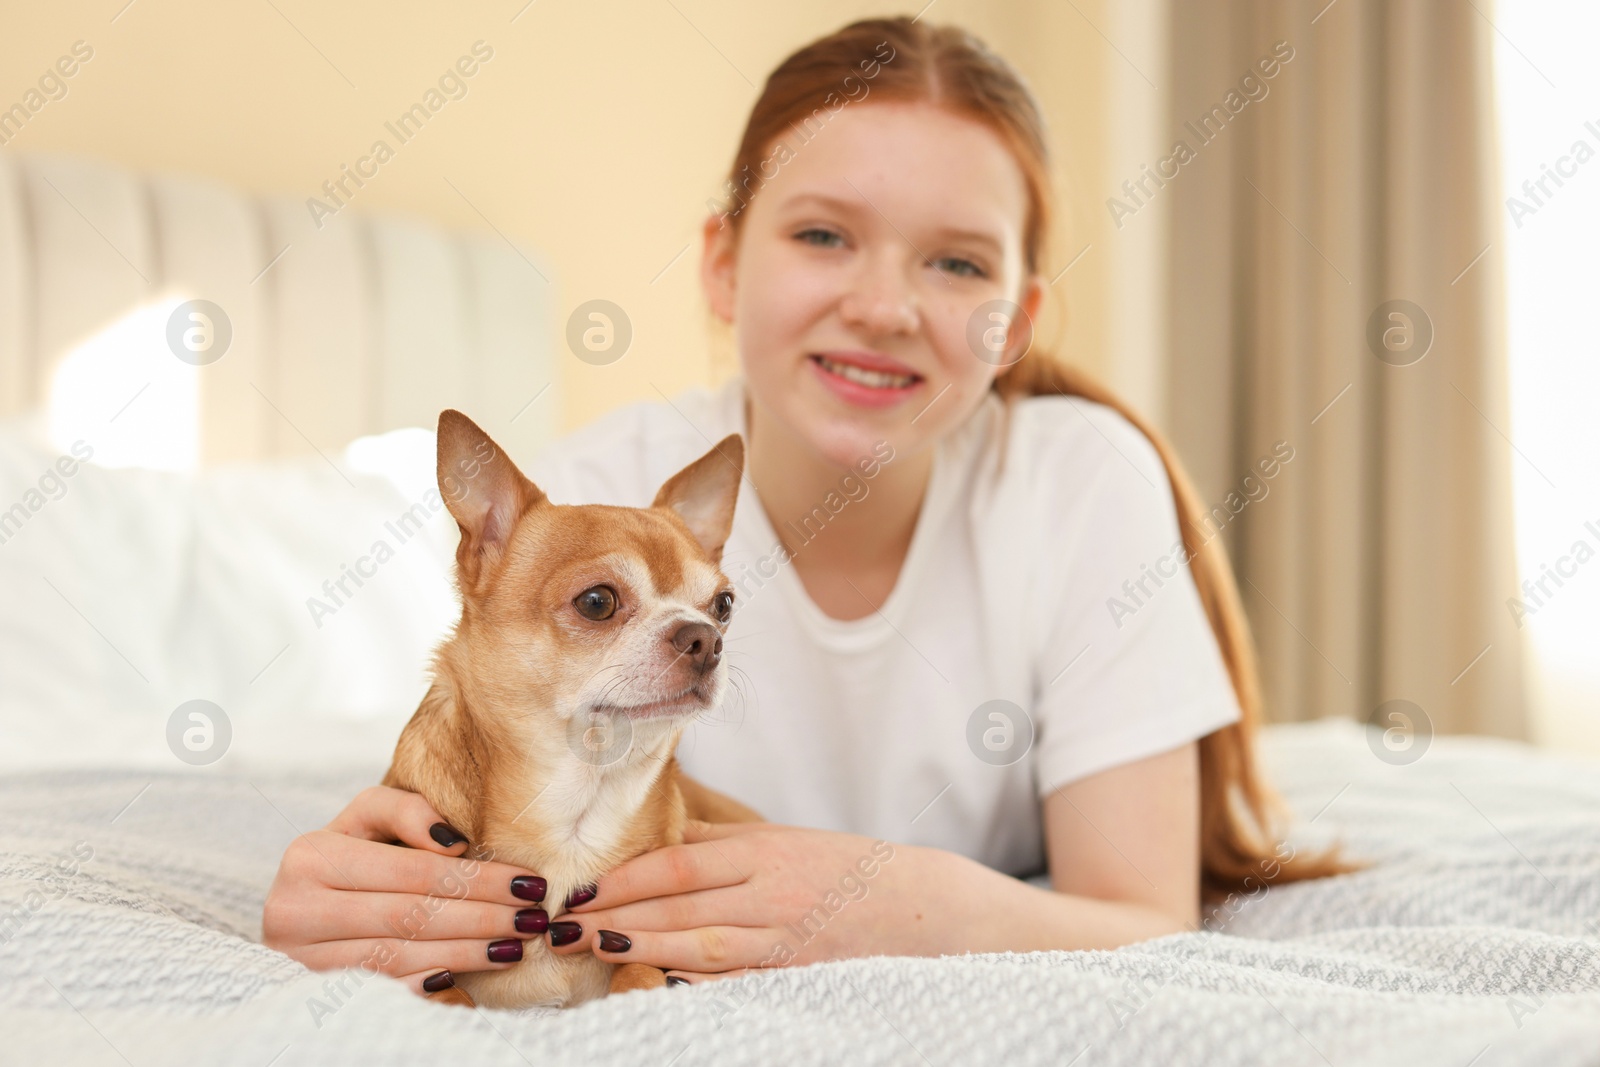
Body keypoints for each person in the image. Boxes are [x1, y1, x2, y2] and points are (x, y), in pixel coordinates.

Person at [262, 16, 1353, 995]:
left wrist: (904, 904)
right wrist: (357, 881)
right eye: (823, 235)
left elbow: (1141, 920)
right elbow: (468, 770)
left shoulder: (1079, 484)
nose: (882, 306)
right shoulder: (593, 503)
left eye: (956, 262)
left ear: (1014, 324)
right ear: (724, 264)